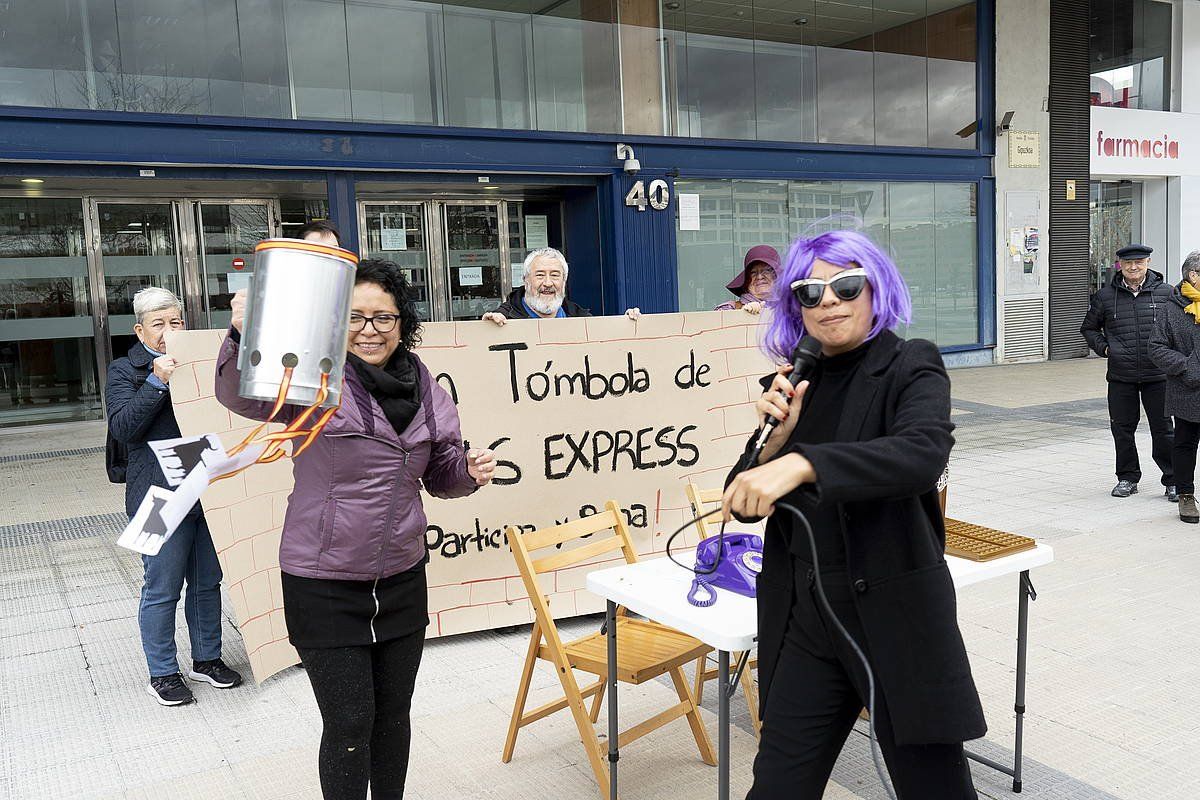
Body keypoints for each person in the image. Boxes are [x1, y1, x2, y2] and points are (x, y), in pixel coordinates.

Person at [216, 258, 497, 800]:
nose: (370, 330)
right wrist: (240, 331)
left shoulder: (429, 389)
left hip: (400, 575)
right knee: (348, 725)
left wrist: (468, 473)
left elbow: (440, 476)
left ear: (402, 322)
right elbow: (239, 394)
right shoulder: (314, 381)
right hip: (324, 581)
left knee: (394, 716)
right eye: (357, 317)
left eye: (383, 318)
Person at [722, 230, 984, 799]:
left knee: (932, 786)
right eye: (810, 292)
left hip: (894, 615)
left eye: (845, 284)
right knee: (776, 786)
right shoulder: (793, 379)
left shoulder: (910, 364)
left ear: (874, 287)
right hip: (808, 618)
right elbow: (741, 498)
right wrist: (772, 446)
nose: (829, 301)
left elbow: (921, 454)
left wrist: (803, 464)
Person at [105, 287, 243, 707]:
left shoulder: (201, 358)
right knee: (161, 585)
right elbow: (124, 428)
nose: (169, 331)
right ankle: (162, 672)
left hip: (203, 485)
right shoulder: (123, 370)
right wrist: (156, 381)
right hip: (154, 494)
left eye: (176, 322)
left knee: (207, 581)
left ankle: (208, 659)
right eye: (159, 324)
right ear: (140, 329)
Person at [1081, 243, 1176, 499]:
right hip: (1121, 376)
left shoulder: (1167, 293)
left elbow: (1179, 329)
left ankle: (1173, 480)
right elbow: (1088, 328)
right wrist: (1105, 349)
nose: (1133, 267)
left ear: (1147, 263)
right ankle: (1127, 478)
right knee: (1122, 429)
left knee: (1164, 429)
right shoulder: (1104, 296)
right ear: (1119, 265)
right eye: (1127, 263)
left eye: (1139, 262)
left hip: (1159, 375)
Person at [1149, 250, 1200, 524]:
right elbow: (1156, 348)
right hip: (1187, 389)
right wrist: (1188, 367)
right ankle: (1185, 496)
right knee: (1185, 443)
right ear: (1193, 275)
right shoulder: (1172, 307)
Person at [480, 247, 640, 325]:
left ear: (564, 281)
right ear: (525, 280)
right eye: (540, 275)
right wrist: (486, 330)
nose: (548, 283)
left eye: (555, 275)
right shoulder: (503, 320)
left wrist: (627, 327)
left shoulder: (582, 320)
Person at [715, 244, 780, 314]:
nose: (759, 277)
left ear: (777, 278)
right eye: (753, 273)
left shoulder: (790, 308)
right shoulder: (727, 309)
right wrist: (741, 314)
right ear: (746, 282)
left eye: (766, 271)